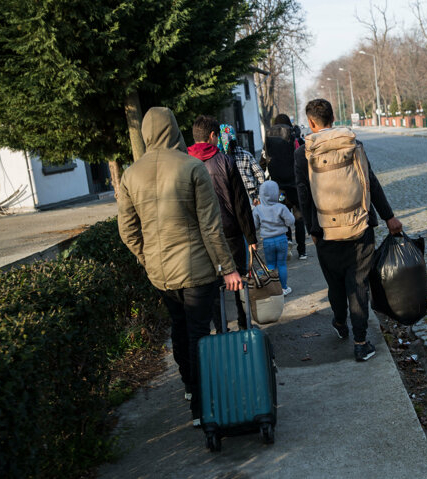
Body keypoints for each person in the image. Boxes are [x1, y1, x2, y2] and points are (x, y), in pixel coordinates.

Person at [117, 107, 242, 427]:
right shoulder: (192, 167)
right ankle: (202, 405)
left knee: (180, 329)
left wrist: (148, 260)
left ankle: (189, 388)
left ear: (145, 135)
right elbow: (211, 227)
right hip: (197, 270)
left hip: (161, 274)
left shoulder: (130, 174)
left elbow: (128, 231)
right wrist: (228, 268)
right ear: (174, 129)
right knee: (200, 333)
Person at [295, 99, 403, 362]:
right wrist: (389, 217)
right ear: (333, 117)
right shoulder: (354, 145)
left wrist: (312, 229)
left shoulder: (303, 153)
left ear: (311, 123)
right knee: (358, 284)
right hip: (360, 227)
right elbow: (371, 183)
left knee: (335, 284)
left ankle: (341, 323)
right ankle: (361, 342)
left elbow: (303, 192)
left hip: (324, 231)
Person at [187, 115, 258, 331]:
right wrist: (251, 237)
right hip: (231, 233)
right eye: (217, 137)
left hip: (201, 238)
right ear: (212, 136)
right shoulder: (226, 161)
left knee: (214, 286)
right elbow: (240, 204)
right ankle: (244, 326)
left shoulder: (185, 164)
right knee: (239, 283)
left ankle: (220, 330)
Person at [265, 113, 308, 260]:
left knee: (283, 215)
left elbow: (264, 160)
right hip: (295, 185)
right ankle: (302, 251)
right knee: (299, 218)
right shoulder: (295, 138)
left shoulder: (270, 141)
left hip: (279, 188)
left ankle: (288, 240)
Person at [253, 180, 296, 296]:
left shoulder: (258, 209)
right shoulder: (281, 207)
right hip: (281, 239)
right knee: (282, 264)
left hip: (267, 241)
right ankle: (283, 288)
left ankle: (272, 288)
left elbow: (255, 226)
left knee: (270, 265)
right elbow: (291, 221)